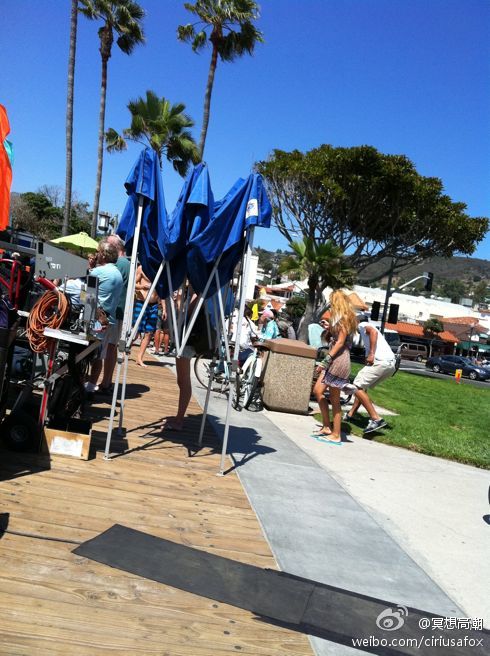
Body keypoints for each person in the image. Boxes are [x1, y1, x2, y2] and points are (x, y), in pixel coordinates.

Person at [312, 291, 357, 444]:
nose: (330, 304)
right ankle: (326, 426)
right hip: (334, 359)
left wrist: (326, 360)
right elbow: (335, 339)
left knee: (335, 399)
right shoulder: (338, 319)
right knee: (318, 391)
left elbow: (340, 342)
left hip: (338, 360)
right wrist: (329, 328)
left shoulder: (344, 318)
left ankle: (336, 434)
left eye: (332, 301)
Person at [343, 313, 396, 434]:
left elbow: (373, 332)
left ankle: (376, 419)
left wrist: (371, 353)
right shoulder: (364, 329)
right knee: (361, 387)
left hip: (381, 361)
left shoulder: (363, 325)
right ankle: (351, 414)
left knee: (356, 386)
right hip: (390, 364)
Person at [84, 241, 123, 393]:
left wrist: (90, 270)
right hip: (108, 320)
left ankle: (80, 383)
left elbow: (86, 296)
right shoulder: (118, 274)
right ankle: (91, 386)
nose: (96, 255)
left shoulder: (98, 272)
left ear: (103, 255)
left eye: (98, 252)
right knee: (99, 355)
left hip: (94, 320)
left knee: (83, 352)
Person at [99, 234, 130, 391]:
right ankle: (107, 381)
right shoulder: (127, 263)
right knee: (112, 347)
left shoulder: (119, 263)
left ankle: (105, 382)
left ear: (115, 247)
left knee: (107, 348)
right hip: (119, 312)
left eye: (108, 244)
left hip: (113, 312)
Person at [133, 264, 161, 367]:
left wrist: (164, 308)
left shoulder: (161, 269)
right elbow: (133, 284)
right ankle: (125, 352)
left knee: (149, 332)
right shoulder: (142, 268)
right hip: (141, 302)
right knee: (135, 331)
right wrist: (142, 287)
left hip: (154, 305)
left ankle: (139, 358)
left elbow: (162, 292)